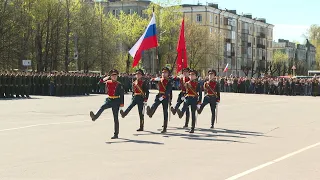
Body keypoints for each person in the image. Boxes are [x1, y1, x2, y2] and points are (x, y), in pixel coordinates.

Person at [89, 69, 124, 139]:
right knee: (102, 107)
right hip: (110, 99)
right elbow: (99, 84)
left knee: (115, 118)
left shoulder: (119, 84)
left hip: (116, 101)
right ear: (110, 76)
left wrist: (122, 103)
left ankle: (116, 134)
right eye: (112, 75)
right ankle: (95, 117)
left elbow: (122, 94)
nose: (114, 77)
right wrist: (105, 78)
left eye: (115, 75)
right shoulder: (108, 82)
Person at [146, 67, 173, 133]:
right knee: (155, 105)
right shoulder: (160, 79)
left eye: (165, 73)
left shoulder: (169, 81)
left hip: (165, 97)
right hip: (159, 95)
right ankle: (150, 112)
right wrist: (152, 80)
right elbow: (154, 82)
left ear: (168, 74)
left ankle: (165, 127)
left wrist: (165, 97)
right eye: (163, 72)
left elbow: (168, 91)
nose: (164, 74)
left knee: (165, 111)